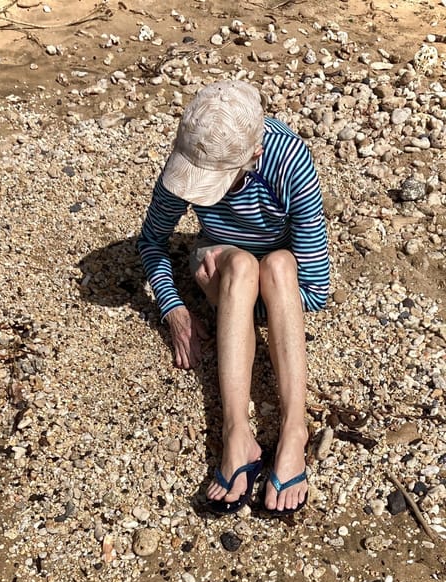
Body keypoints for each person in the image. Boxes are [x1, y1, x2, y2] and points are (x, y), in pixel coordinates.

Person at [137, 80, 329, 516]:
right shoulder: (196, 147)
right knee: (241, 266)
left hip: (280, 278)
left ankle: (294, 431)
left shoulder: (289, 159)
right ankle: (236, 433)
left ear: (254, 155)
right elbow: (152, 241)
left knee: (278, 265)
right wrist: (174, 309)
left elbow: (315, 289)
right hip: (223, 263)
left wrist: (240, 308)